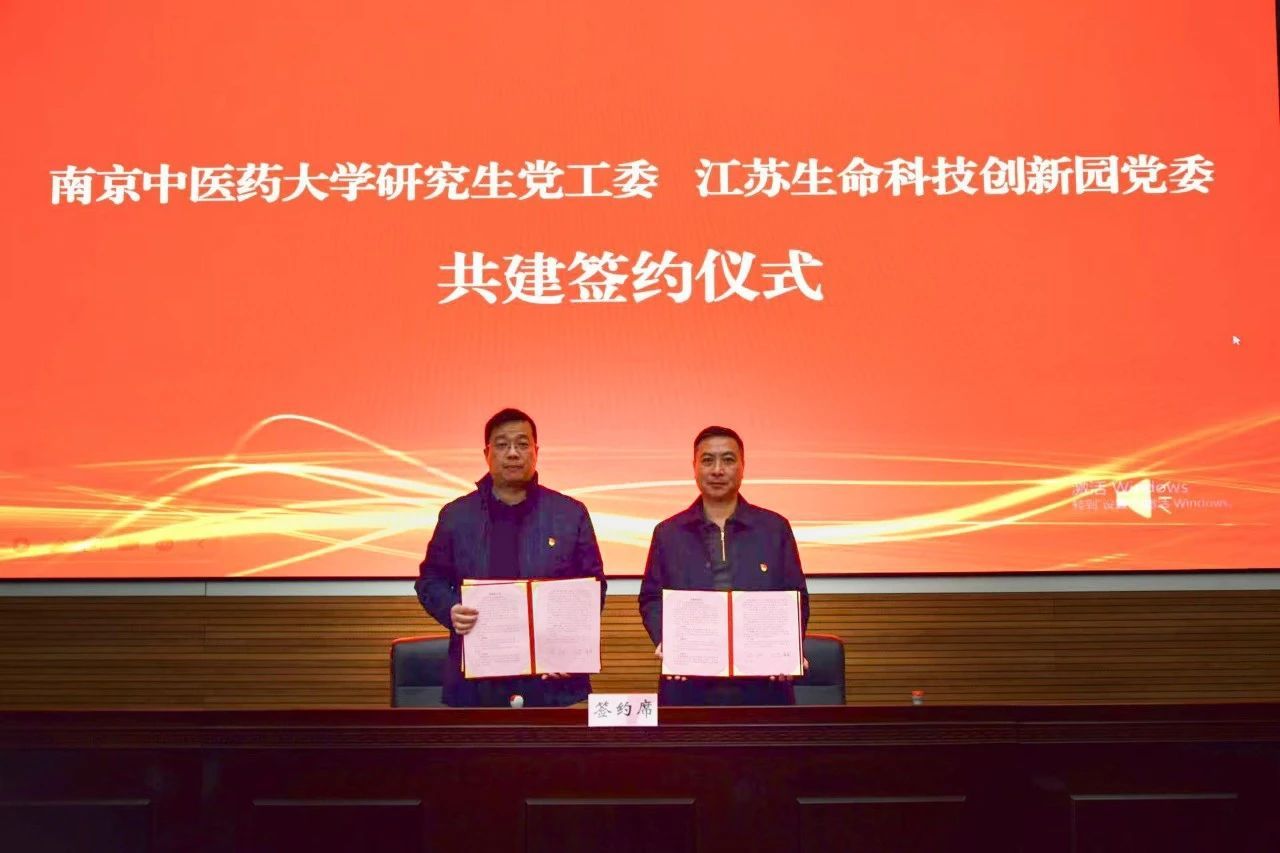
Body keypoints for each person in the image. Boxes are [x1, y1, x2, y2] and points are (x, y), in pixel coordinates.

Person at [415, 408, 606, 707]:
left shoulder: (570, 514)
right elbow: (430, 580)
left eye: (522, 444)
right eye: (502, 445)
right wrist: (450, 608)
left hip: (553, 678)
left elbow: (592, 586)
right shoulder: (456, 516)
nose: (513, 453)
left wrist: (569, 648)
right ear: (487, 454)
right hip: (476, 679)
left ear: (536, 451)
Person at [638, 425, 810, 705]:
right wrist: (667, 640)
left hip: (763, 687)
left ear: (743, 467)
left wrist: (788, 648)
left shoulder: (774, 528)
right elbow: (651, 598)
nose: (717, 470)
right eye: (708, 460)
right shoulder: (668, 533)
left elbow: (796, 596)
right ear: (694, 467)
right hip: (688, 685)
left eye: (728, 460)